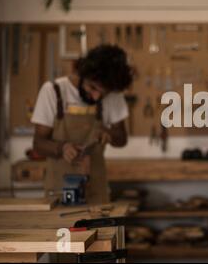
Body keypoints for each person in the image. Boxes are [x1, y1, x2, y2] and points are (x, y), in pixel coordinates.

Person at [32, 44, 134, 204]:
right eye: (92, 87)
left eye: (103, 93)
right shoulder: (53, 91)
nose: (95, 97)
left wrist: (109, 133)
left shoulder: (114, 96)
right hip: (59, 192)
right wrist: (62, 148)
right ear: (81, 72)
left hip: (96, 192)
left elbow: (122, 140)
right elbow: (38, 144)